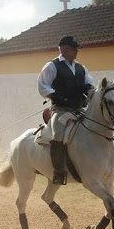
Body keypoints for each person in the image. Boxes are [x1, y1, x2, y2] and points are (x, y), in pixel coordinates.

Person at [37, 35, 94, 184]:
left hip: (79, 108)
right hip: (60, 109)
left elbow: (90, 83)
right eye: (74, 48)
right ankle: (58, 172)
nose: (76, 51)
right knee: (58, 136)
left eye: (76, 49)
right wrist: (55, 97)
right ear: (64, 49)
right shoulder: (52, 66)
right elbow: (42, 85)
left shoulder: (81, 68)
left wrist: (88, 89)